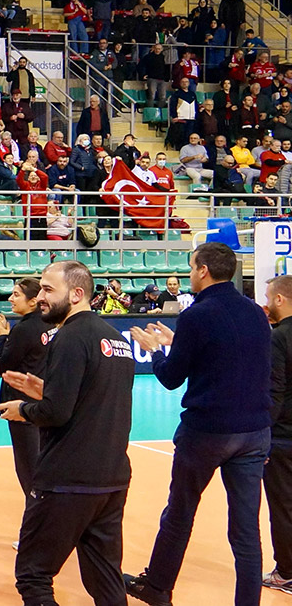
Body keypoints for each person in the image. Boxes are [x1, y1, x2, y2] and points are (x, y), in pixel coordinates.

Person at [125, 243, 272, 606]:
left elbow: (172, 378)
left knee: (180, 511)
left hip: (208, 431)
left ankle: (157, 588)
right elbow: (230, 356)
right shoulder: (255, 312)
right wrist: (180, 343)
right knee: (246, 530)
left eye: (192, 267)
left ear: (203, 270)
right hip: (254, 432)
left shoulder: (197, 315)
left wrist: (158, 350)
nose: (190, 273)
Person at [0, 261, 135, 606]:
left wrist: (23, 409)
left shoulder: (69, 337)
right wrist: (46, 390)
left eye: (47, 290)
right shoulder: (117, 340)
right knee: (105, 578)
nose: (40, 296)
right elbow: (91, 399)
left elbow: (57, 413)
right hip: (112, 477)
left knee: (33, 575)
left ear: (76, 293)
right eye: (40, 289)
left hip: (68, 478)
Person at [0, 278, 52, 507]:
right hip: (42, 403)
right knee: (41, 463)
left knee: (28, 469)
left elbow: (3, 365)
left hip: (21, 407)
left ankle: (36, 528)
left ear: (33, 301)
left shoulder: (23, 329)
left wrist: (2, 336)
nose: (10, 299)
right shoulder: (49, 324)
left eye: (15, 295)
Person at [263, 275, 292, 593]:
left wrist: (264, 436)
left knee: (283, 506)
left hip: (283, 436)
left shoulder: (279, 337)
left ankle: (286, 571)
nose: (266, 302)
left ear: (280, 300)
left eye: (269, 296)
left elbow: (275, 392)